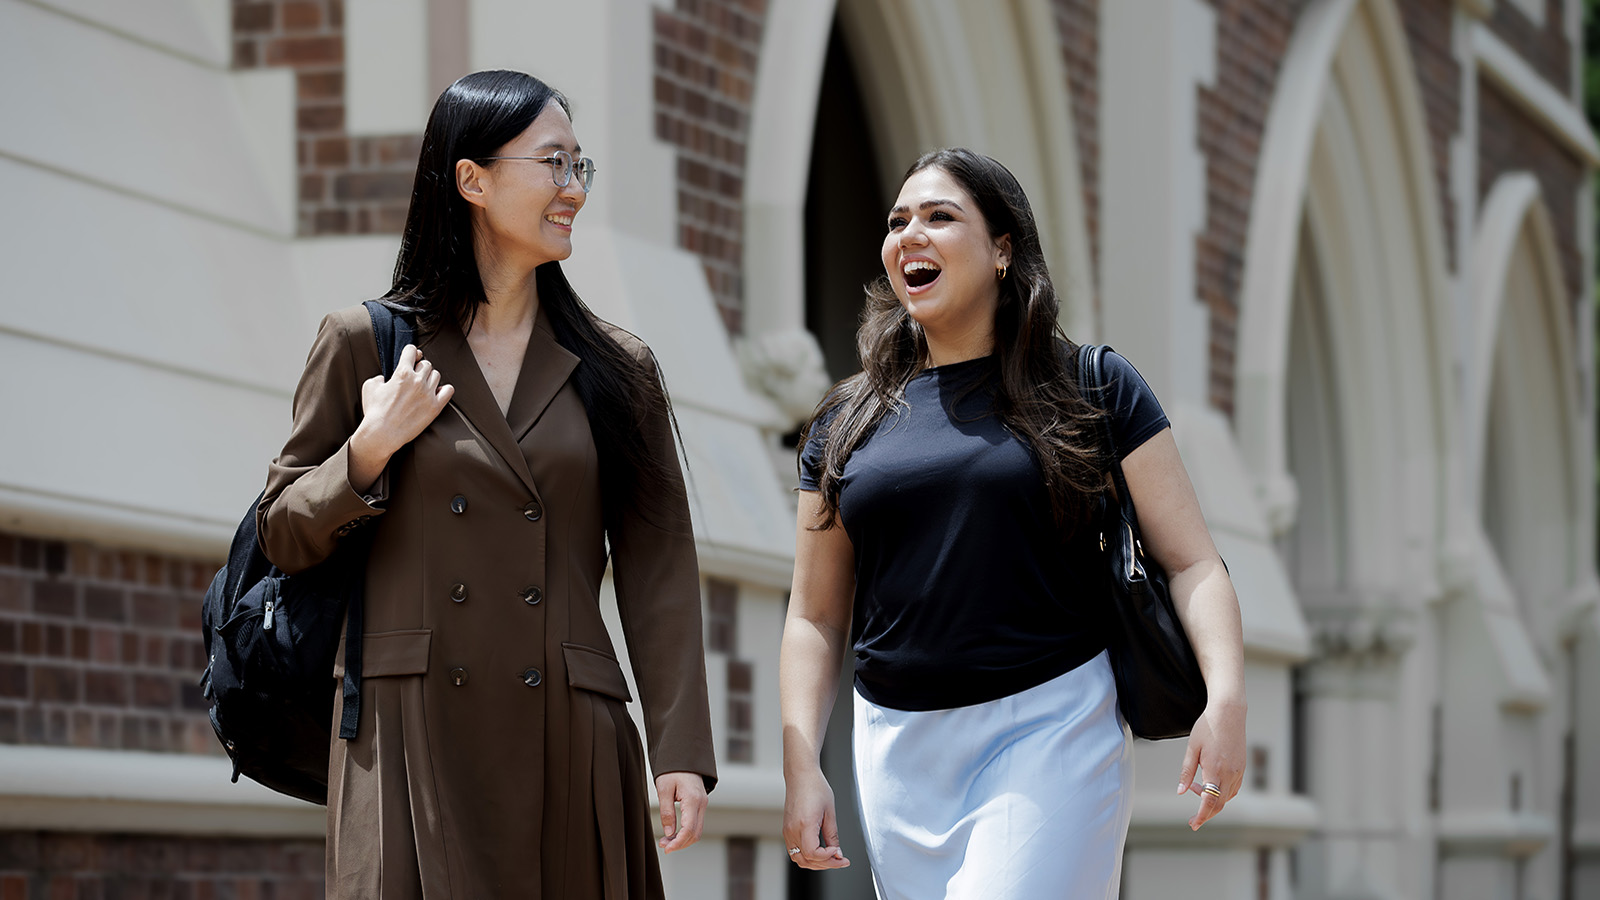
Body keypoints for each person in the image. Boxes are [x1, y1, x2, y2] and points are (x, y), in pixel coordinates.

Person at [257, 70, 717, 899]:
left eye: (580, 166)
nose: (573, 189)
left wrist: (679, 748)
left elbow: (660, 567)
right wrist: (369, 448)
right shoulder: (365, 342)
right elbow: (281, 532)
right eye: (553, 163)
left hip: (568, 728)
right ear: (472, 179)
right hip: (410, 726)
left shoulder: (617, 369)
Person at [779, 148, 1247, 898]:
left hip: (1051, 727)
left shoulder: (1092, 385)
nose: (910, 235)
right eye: (898, 222)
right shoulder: (845, 418)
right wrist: (802, 763)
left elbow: (1192, 561)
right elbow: (815, 614)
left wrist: (1225, 699)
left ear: (1003, 250)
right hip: (895, 747)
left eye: (940, 216)